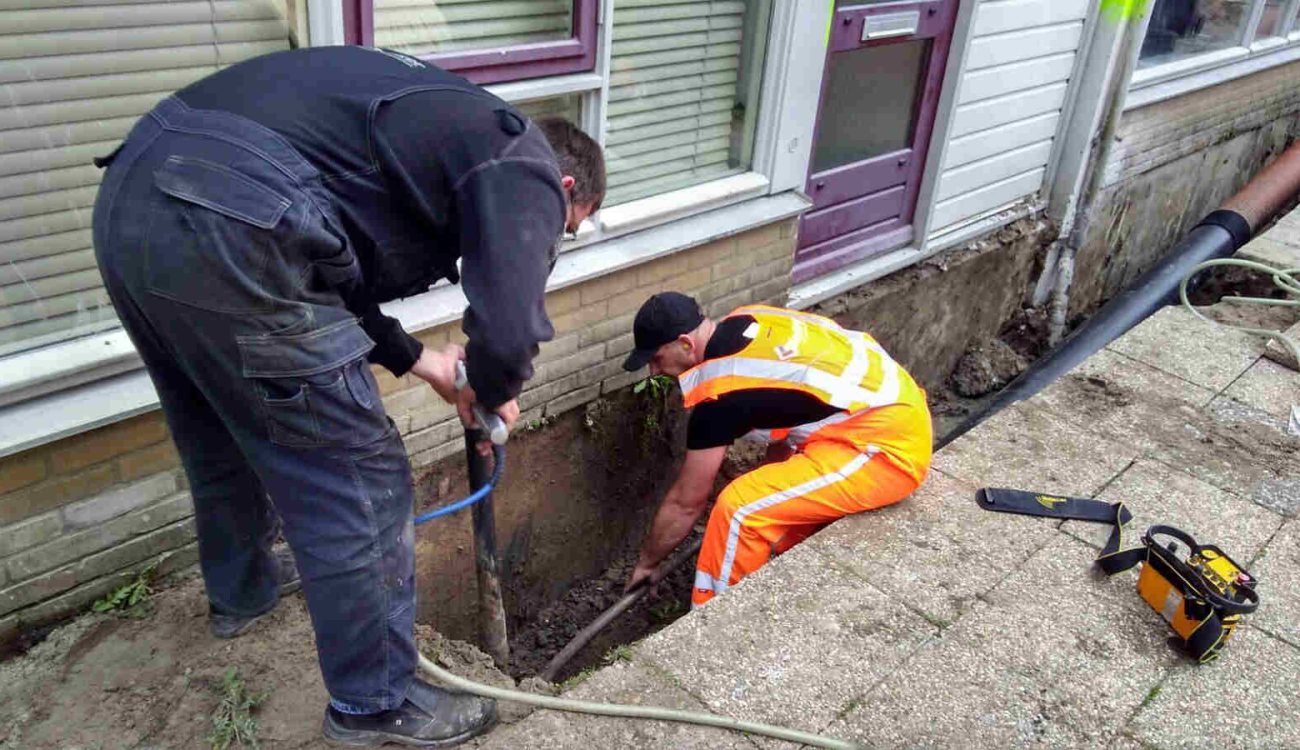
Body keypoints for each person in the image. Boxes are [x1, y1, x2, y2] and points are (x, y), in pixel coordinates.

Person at [91, 46, 604, 747]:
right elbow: (510, 334)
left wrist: (426, 364)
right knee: (359, 475)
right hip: (230, 217)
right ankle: (376, 704)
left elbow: (331, 288)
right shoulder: (527, 164)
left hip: (139, 199)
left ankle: (243, 594)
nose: (552, 238)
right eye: (565, 228)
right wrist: (493, 387)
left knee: (216, 424)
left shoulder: (437, 135)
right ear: (567, 184)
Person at [621, 293, 931, 607]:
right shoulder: (748, 320)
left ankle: (712, 618)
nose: (653, 371)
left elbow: (686, 502)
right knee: (765, 497)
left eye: (656, 358)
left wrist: (648, 562)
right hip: (884, 408)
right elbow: (787, 406)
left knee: (740, 511)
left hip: (887, 449)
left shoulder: (720, 398)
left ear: (686, 344)